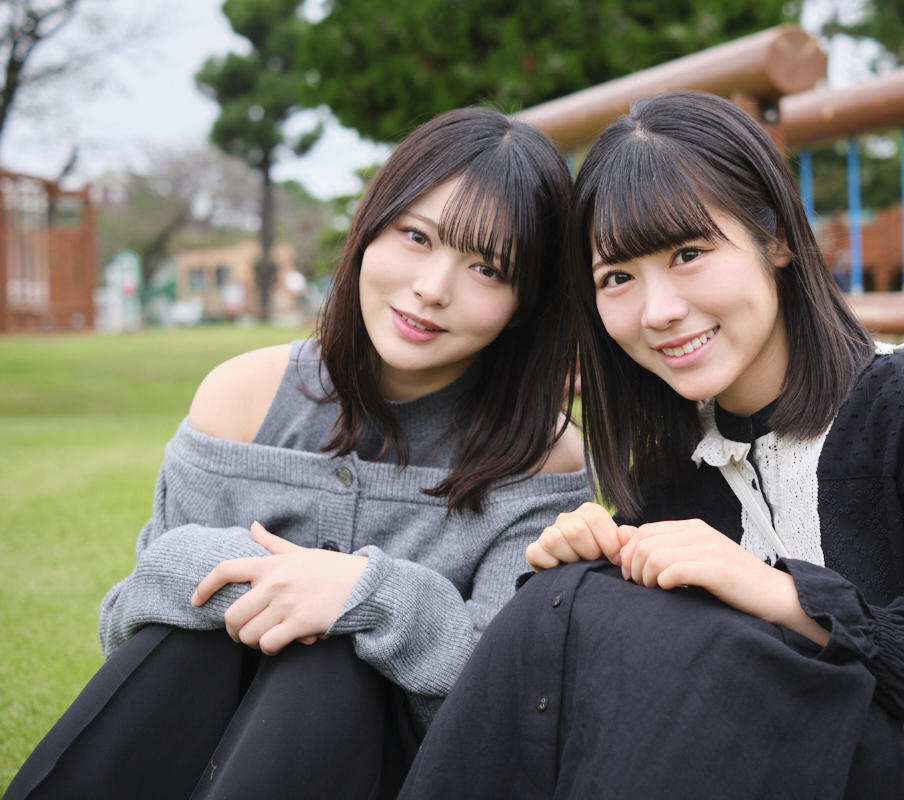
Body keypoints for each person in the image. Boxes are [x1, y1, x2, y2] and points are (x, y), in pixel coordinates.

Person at [399, 92, 904, 800]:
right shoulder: (672, 470)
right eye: (618, 278)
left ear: (775, 239)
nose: (659, 311)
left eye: (689, 254)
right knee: (563, 597)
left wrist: (783, 596)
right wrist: (587, 566)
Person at [4, 107, 590, 800]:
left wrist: (363, 596)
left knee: (332, 661)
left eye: (488, 268)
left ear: (527, 302)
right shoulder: (242, 396)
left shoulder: (541, 458)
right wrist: (289, 585)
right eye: (416, 236)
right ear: (370, 227)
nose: (433, 288)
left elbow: (499, 706)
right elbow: (132, 624)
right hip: (209, 738)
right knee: (193, 639)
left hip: (398, 772)